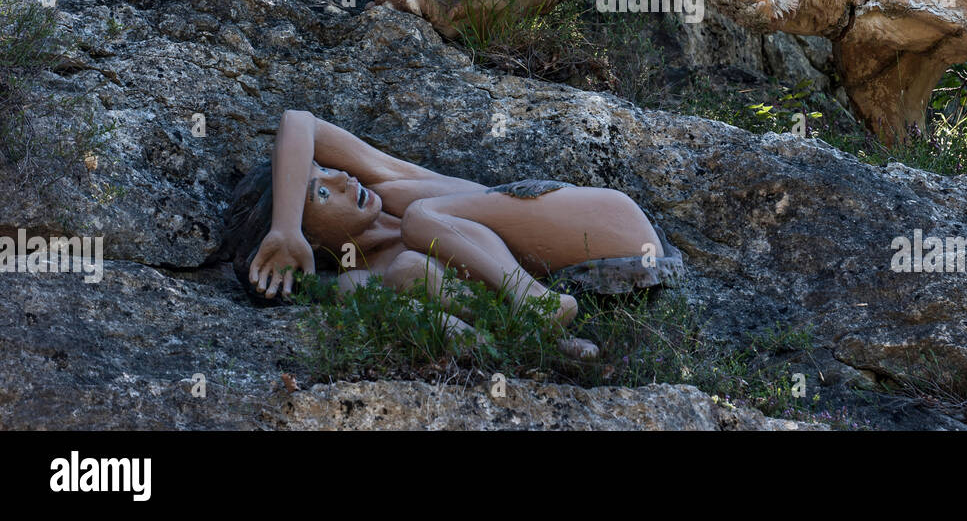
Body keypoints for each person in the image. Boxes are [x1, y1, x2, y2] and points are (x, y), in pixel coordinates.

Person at [221, 109, 671, 357]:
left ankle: (539, 303)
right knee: (409, 269)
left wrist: (284, 227)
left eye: (327, 169)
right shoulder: (370, 270)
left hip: (610, 224)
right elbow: (369, 298)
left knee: (420, 219)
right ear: (313, 243)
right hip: (596, 276)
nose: (342, 179)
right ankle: (542, 336)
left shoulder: (390, 185)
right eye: (321, 192)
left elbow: (297, 121)